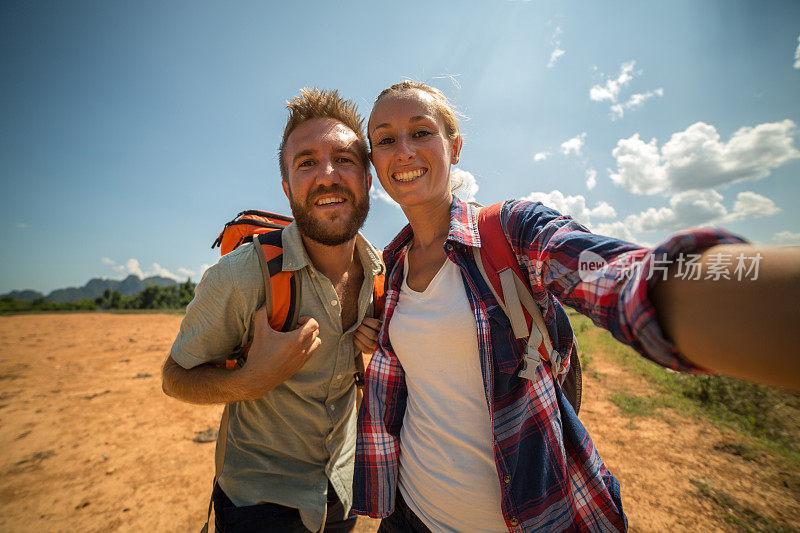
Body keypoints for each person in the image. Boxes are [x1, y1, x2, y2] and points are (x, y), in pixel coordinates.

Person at [353, 81, 800, 533]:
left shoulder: (511, 230)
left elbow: (616, 273)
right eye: (386, 139)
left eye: (421, 132)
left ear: (455, 145)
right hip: (409, 515)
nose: (404, 150)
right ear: (375, 164)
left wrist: (739, 293)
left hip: (532, 518)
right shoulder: (392, 269)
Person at [161, 88, 383, 533]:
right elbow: (174, 376)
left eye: (344, 159)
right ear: (287, 189)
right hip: (258, 504)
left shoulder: (381, 275)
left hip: (343, 493)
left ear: (367, 178)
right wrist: (250, 380)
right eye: (306, 163)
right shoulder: (244, 276)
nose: (327, 175)